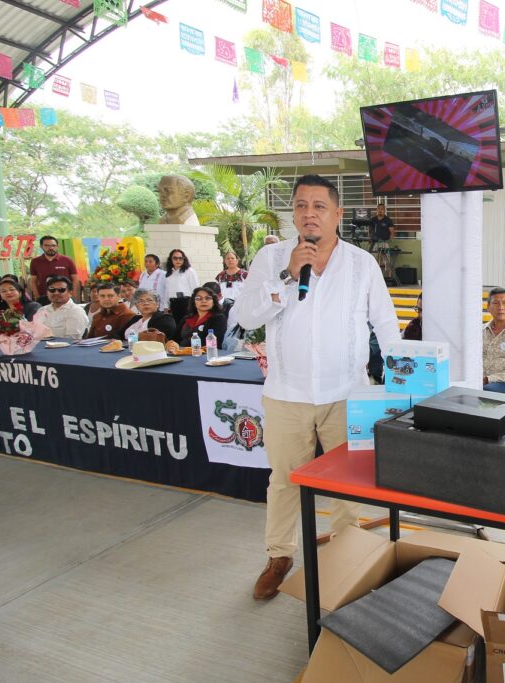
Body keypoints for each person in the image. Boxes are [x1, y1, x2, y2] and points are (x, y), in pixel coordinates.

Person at [237, 174, 400, 600]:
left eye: (319, 206)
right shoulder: (271, 258)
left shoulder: (362, 263)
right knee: (284, 481)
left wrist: (403, 380)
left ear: (338, 213)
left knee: (349, 482)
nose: (309, 214)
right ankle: (279, 556)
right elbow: (247, 317)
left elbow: (385, 323)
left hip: (346, 394)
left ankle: (347, 554)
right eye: (301, 206)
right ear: (293, 214)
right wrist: (287, 276)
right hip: (286, 395)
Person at [29, 235, 79, 303]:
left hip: (64, 297)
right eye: (47, 245)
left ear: (57, 246)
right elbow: (33, 281)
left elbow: (75, 278)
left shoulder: (67, 260)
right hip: (44, 298)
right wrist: (37, 296)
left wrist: (73, 295)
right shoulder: (35, 262)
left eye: (53, 245)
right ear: (41, 246)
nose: (51, 248)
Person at [39, 275, 88, 339]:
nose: (56, 293)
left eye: (61, 290)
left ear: (70, 293)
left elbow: (72, 338)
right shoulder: (42, 310)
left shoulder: (76, 311)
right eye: (52, 290)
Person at [162, 249, 199, 326]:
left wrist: (195, 304)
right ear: (171, 259)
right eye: (175, 258)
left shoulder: (189, 271)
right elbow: (166, 291)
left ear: (184, 259)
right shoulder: (169, 273)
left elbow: (195, 289)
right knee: (176, 326)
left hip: (186, 302)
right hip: (173, 303)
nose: (178, 260)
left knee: (186, 326)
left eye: (180, 258)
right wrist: (165, 306)